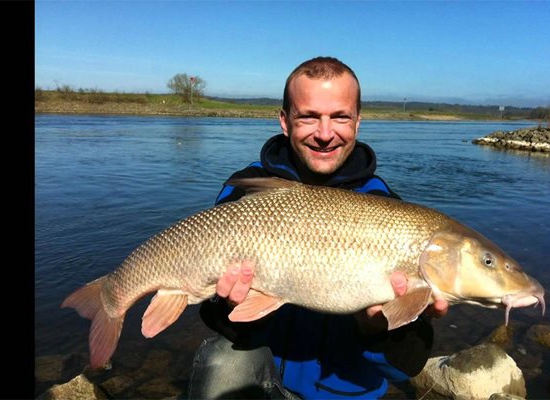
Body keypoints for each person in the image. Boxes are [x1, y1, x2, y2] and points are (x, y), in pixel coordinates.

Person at [188, 56, 448, 400]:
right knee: (221, 361)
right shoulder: (245, 190)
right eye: (309, 116)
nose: (325, 134)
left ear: (357, 122)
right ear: (285, 121)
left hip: (341, 394)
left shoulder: (394, 214)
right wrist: (227, 306)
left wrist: (376, 330)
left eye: (340, 117)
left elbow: (407, 366)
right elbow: (214, 317)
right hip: (261, 378)